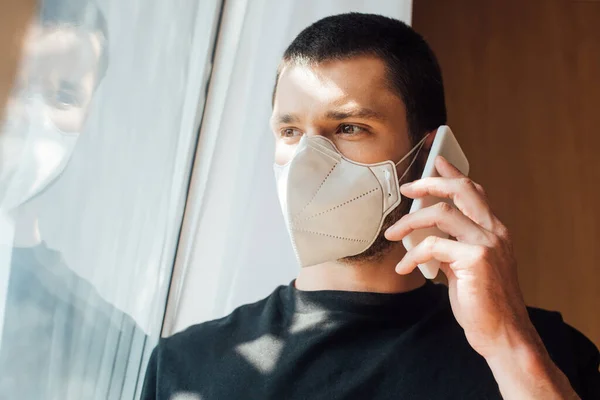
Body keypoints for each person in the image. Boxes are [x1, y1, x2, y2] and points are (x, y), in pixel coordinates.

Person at [141, 13, 600, 399]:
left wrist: (508, 346)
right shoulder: (186, 369)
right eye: (290, 132)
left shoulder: (548, 353)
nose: (308, 162)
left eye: (349, 128)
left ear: (425, 156)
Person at [0, 0, 144, 398]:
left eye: (63, 96)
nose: (30, 115)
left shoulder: (101, 341)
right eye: (13, 79)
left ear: (87, 117)